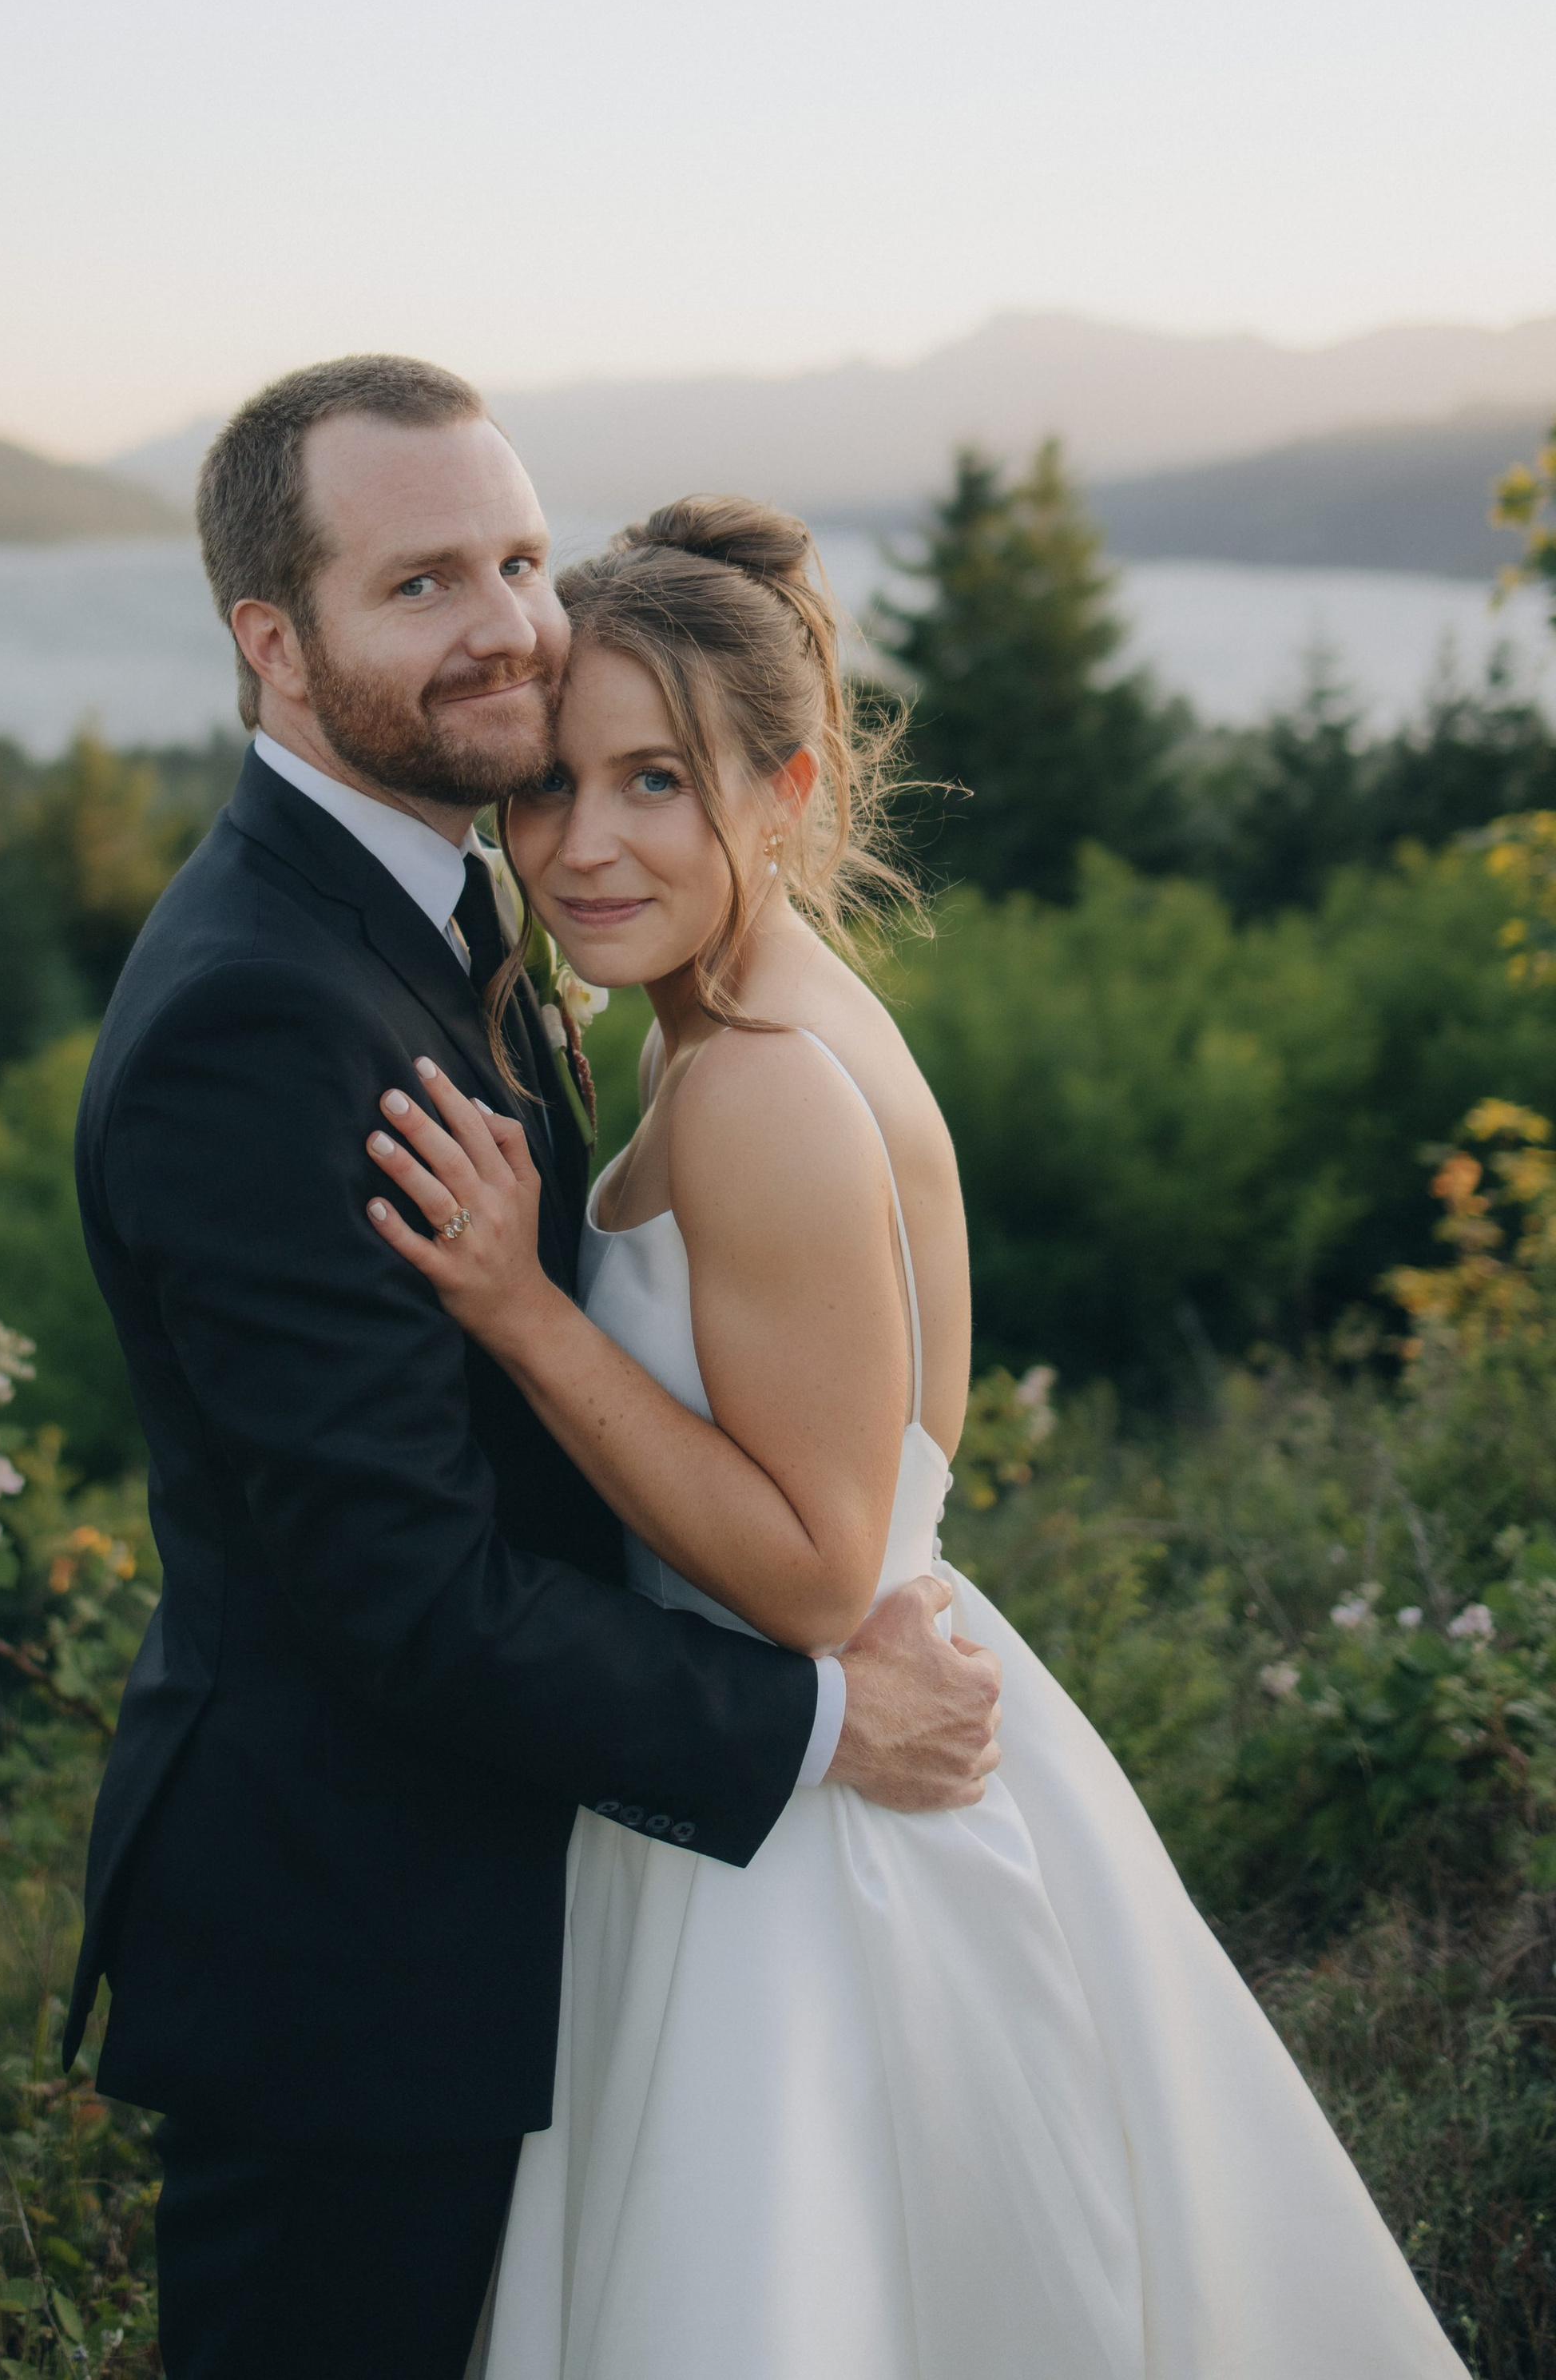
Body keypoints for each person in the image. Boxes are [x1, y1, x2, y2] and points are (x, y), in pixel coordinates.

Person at [360, 494, 1471, 2380]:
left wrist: (524, 1313)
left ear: (784, 786)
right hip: (819, 1771)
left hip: (805, 1836)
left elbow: (808, 1567)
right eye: (547, 786)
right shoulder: (726, 1016)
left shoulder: (758, 1085)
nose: (580, 843)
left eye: (654, 780)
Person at [62, 359, 1002, 2380]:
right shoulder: (262, 1007)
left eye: (511, 554)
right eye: (419, 582)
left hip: (553, 1897)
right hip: (352, 1956)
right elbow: (405, 1592)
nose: (501, 617)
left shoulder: (466, 901)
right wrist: (821, 1721)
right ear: (274, 642)